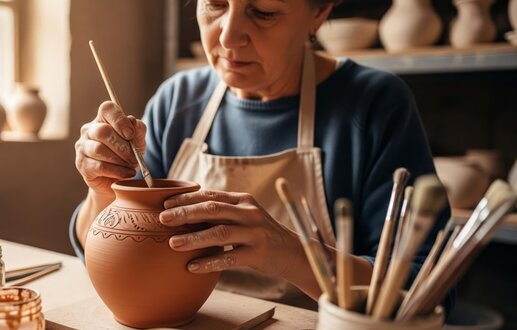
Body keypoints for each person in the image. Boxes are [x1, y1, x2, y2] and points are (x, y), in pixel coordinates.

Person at [71, 0, 452, 308]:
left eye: (264, 12)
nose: (230, 36)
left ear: (318, 12)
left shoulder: (375, 104)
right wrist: (102, 191)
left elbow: (427, 289)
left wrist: (293, 254)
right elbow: (104, 244)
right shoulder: (177, 100)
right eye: (215, 5)